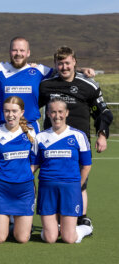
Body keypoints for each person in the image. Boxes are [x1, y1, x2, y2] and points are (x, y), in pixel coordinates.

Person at [39, 46, 113, 226]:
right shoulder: (46, 85)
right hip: (52, 143)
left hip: (79, 144)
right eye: (60, 63)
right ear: (55, 64)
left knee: (80, 181)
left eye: (67, 63)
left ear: (74, 63)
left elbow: (103, 112)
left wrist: (102, 134)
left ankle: (81, 217)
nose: (64, 67)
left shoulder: (89, 85)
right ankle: (56, 219)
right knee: (55, 178)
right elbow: (33, 109)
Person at [32, 98, 93, 243]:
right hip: (47, 188)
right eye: (53, 112)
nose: (57, 115)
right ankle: (54, 228)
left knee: (69, 239)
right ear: (48, 114)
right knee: (50, 238)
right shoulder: (40, 137)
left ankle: (86, 227)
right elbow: (34, 165)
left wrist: (78, 186)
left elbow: (86, 165)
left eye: (60, 112)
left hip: (70, 188)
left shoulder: (79, 136)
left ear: (66, 113)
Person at [0, 96, 36, 243]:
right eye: (6, 111)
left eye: (14, 111)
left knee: (22, 239)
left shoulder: (31, 132)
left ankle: (11, 225)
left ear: (22, 112)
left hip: (24, 190)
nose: (10, 115)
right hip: (1, 188)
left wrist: (25, 175)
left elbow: (35, 160)